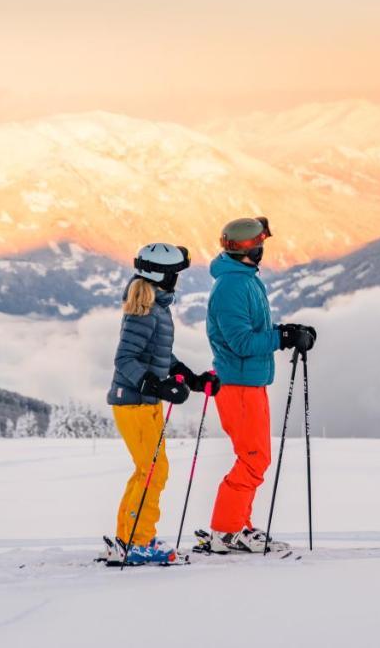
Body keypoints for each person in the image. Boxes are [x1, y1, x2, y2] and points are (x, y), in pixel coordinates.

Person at [206, 217, 316, 553]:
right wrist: (281, 337)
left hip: (250, 383)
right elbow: (241, 342)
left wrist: (286, 330)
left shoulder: (245, 280)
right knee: (253, 459)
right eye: (259, 243)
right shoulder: (231, 287)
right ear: (247, 248)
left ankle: (238, 526)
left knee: (255, 457)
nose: (263, 249)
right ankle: (226, 530)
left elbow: (254, 330)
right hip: (238, 386)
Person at [107, 242, 220, 565]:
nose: (178, 280)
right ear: (163, 276)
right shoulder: (144, 311)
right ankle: (137, 542)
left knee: (149, 470)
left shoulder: (155, 307)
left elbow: (159, 357)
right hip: (134, 402)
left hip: (144, 400)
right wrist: (155, 384)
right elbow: (124, 359)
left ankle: (129, 537)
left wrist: (191, 379)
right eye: (175, 274)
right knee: (153, 472)